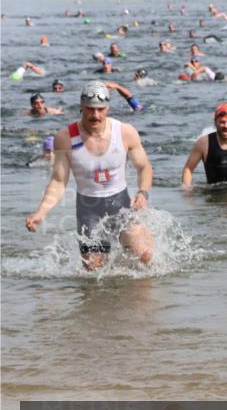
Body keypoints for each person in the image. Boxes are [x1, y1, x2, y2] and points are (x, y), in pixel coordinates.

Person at [25, 81, 154, 270]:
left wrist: (143, 193)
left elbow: (144, 167)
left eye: (100, 109)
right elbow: (59, 181)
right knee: (94, 272)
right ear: (81, 107)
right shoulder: (66, 137)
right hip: (89, 212)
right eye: (89, 109)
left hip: (122, 206)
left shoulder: (125, 132)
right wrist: (41, 212)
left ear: (107, 107)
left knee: (143, 258)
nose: (95, 115)